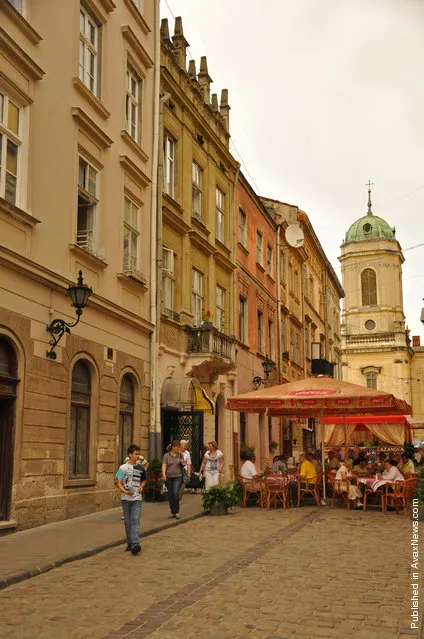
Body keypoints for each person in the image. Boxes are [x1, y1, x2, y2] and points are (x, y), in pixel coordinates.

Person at [115, 443, 147, 555]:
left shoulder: (140, 468)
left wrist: (142, 486)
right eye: (135, 454)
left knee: (135, 520)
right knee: (128, 522)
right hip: (125, 498)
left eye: (138, 454)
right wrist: (125, 491)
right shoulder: (122, 468)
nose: (137, 456)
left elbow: (144, 479)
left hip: (137, 498)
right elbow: (117, 482)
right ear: (130, 455)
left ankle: (135, 544)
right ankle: (129, 543)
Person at [162, 440, 184, 520]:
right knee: (171, 495)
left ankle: (177, 512)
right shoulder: (166, 455)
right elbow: (164, 465)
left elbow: (184, 464)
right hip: (169, 477)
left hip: (178, 476)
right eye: (178, 447)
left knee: (175, 493)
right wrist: (164, 474)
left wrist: (182, 462)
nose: (179, 448)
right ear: (173, 447)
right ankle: (173, 512)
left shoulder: (180, 455)